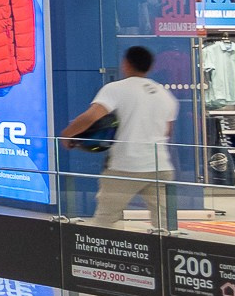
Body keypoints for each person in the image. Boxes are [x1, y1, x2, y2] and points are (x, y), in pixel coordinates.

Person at [62, 44, 179, 227]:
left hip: (125, 167)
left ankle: (102, 255)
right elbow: (167, 132)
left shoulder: (116, 89)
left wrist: (67, 134)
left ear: (126, 64)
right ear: (150, 67)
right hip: (160, 166)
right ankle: (168, 254)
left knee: (105, 220)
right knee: (165, 224)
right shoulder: (165, 95)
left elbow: (91, 116)